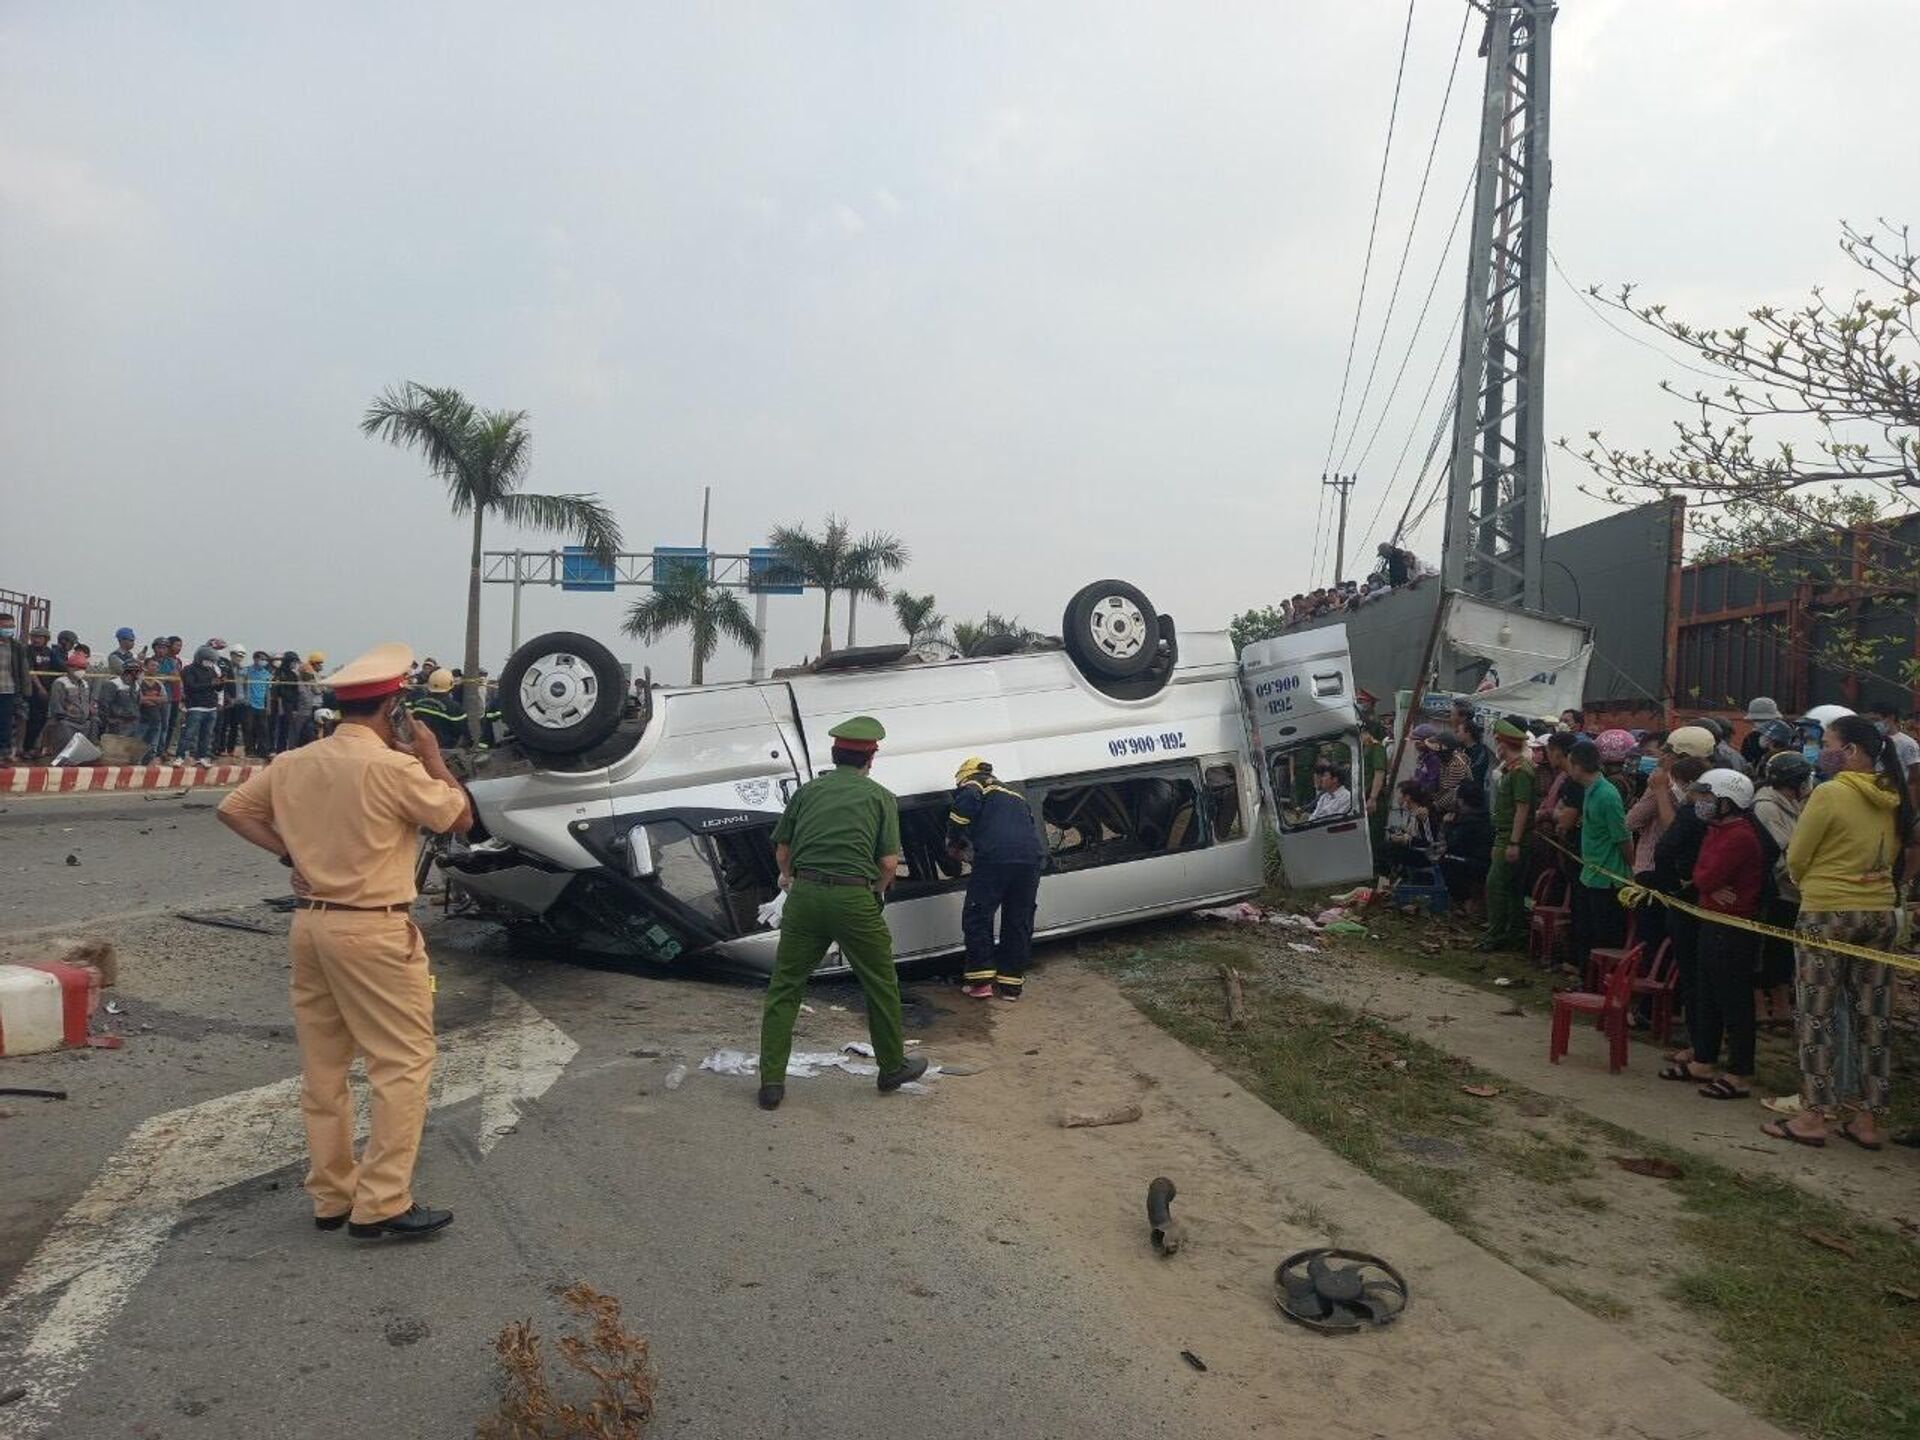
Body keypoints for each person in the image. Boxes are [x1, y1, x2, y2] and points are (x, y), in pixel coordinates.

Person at [216, 643, 472, 1239]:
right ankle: (382, 1202)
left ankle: (331, 1195)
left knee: (324, 1068)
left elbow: (233, 810)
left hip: (312, 924)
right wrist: (432, 757)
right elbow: (458, 819)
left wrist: (289, 853)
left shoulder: (294, 762)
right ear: (395, 710)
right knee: (402, 1063)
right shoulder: (395, 768)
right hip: (374, 929)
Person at [757, 716, 928, 1111]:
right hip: (854, 900)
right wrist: (876, 892)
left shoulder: (807, 792)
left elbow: (782, 851)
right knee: (880, 983)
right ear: (871, 758)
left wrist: (788, 879)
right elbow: (887, 863)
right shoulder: (880, 797)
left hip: (805, 895)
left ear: (835, 755)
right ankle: (891, 1068)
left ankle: (771, 1083)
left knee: (785, 987)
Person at [1763, 714, 1907, 1150]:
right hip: (1879, 910)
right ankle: (1869, 1117)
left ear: (1849, 751)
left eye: (1825, 742)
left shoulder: (1830, 793)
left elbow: (1798, 855)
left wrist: (1812, 884)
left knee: (1817, 1014)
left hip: (1828, 908)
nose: (1818, 749)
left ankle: (1814, 1114)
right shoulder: (1891, 794)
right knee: (1874, 1018)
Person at [1663, 770, 1765, 1100]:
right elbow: (1701, 873)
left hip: (1732, 927)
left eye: (1707, 797)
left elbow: (1706, 877)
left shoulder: (1739, 836)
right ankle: (1703, 1059)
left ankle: (1738, 1072)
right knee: (1707, 993)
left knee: (1733, 1000)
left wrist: (1710, 885)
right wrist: (1709, 884)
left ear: (1727, 801)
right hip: (1711, 919)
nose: (1701, 803)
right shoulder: (1716, 830)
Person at [947, 756, 1046, 1001]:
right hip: (1030, 861)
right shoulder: (1015, 794)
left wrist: (955, 839)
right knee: (1019, 918)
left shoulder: (975, 786)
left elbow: (965, 807)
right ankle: (1012, 985)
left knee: (978, 915)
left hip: (995, 858)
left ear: (965, 777)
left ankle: (981, 983)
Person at [1751, 750, 1810, 1029]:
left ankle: (1782, 1005)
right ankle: (1763, 1008)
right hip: (1777, 890)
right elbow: (1779, 854)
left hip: (1794, 892)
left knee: (1783, 952)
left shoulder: (1792, 805)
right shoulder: (1766, 807)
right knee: (1767, 952)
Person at [1568, 739, 1629, 976]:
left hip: (1608, 878)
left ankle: (1602, 985)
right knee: (1586, 932)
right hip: (1590, 874)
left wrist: (1628, 866)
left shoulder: (1607, 795)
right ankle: (1587, 980)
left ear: (1578, 766)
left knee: (1605, 937)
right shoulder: (1590, 791)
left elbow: (1622, 838)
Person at [1479, 719, 1536, 951]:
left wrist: (1513, 842)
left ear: (1503, 744)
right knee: (1511, 888)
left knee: (1495, 885)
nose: (1497, 748)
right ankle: (1511, 933)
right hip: (1505, 835)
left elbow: (1522, 809)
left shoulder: (1521, 771)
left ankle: (1496, 935)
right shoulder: (1512, 769)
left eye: (1498, 743)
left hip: (1513, 838)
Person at [1440, 781, 1492, 913]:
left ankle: (1465, 900)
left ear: (1461, 801)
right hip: (1483, 861)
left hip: (1477, 864)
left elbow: (1452, 845)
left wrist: (1447, 826)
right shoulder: (1485, 816)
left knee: (1445, 860)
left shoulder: (1469, 821)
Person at [176, 646, 224, 767]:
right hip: (195, 706)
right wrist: (210, 684)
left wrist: (220, 683)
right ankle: (180, 756)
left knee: (206, 735)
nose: (210, 663)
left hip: (211, 707)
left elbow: (217, 688)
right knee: (188, 734)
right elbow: (191, 687)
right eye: (208, 660)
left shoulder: (211, 670)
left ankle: (201, 757)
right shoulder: (188, 670)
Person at [1381, 781, 1440, 878]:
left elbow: (1429, 842)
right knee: (1388, 845)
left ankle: (1392, 876)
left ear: (1407, 797)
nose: (1397, 798)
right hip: (1416, 851)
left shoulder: (1422, 815)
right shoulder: (1410, 813)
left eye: (1399, 795)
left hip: (1425, 855)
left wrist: (1406, 840)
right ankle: (1394, 875)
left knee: (1389, 849)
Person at [42, 653, 94, 758]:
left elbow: (86, 702)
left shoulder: (85, 684)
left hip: (82, 723)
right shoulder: (60, 683)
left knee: (78, 756)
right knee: (63, 754)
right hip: (66, 723)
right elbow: (56, 705)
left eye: (83, 668)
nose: (81, 670)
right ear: (69, 668)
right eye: (78, 667)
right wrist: (63, 717)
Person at [407, 669, 467, 749]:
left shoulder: (418, 703)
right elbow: (465, 733)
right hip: (443, 752)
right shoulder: (454, 708)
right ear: (451, 684)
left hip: (419, 748)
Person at [23, 624, 57, 759]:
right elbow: (30, 671)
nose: (35, 639)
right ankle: (25, 749)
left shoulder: (49, 652)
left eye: (39, 637)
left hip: (45, 694)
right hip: (31, 691)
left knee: (41, 720)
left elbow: (61, 666)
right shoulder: (27, 650)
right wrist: (40, 688)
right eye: (33, 636)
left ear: (46, 639)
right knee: (28, 720)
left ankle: (32, 748)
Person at [0, 610, 28, 764]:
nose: (9, 629)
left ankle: (4, 754)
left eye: (11, 626)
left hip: (9, 689)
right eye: (5, 626)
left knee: (5, 723)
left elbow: (22, 670)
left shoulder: (16, 647)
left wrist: (25, 690)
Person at [218, 644, 251, 756]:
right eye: (237, 655)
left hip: (240, 702)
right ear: (231, 655)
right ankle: (221, 748)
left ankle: (230, 750)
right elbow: (224, 685)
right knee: (224, 726)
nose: (239, 658)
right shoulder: (226, 668)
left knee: (235, 727)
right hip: (228, 702)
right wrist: (228, 698)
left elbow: (246, 686)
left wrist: (246, 699)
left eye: (241, 656)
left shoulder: (244, 670)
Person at [136, 659, 169, 762]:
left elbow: (164, 699)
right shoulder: (139, 682)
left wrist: (148, 699)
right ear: (145, 667)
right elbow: (139, 699)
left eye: (156, 666)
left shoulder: (159, 684)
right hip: (141, 718)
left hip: (155, 718)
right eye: (152, 665)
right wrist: (156, 700)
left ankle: (148, 761)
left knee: (152, 744)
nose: (155, 668)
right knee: (138, 741)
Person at [245, 649, 275, 755]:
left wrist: (268, 706)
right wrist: (246, 698)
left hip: (261, 705)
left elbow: (268, 691)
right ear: (255, 659)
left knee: (263, 729)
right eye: (261, 659)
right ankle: (249, 751)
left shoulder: (266, 674)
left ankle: (263, 751)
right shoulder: (247, 670)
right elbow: (244, 684)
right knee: (249, 729)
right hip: (250, 704)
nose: (263, 661)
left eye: (265, 659)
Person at [1741, 696, 1785, 768]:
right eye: (1756, 720)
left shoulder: (1786, 737)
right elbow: (1746, 760)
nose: (1759, 724)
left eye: (1764, 720)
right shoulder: (1750, 738)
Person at [1457, 713, 1493, 796]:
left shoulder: (1480, 752)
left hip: (1474, 797)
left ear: (1468, 733)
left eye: (1459, 731)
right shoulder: (1462, 749)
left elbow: (1470, 773)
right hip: (1461, 794)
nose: (1457, 734)